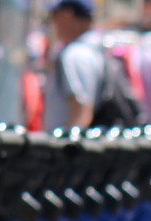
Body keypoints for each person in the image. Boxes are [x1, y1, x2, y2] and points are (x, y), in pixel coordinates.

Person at [42, 0, 104, 131]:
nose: (52, 22)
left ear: (67, 15)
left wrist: (67, 147)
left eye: (54, 15)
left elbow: (81, 112)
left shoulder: (75, 55)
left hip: (63, 146)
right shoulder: (93, 51)